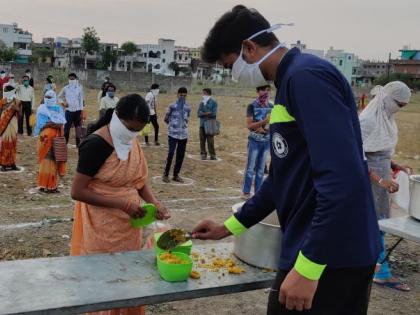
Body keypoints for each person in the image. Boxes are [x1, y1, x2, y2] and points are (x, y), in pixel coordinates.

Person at [192, 5, 381, 314]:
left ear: (249, 48)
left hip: (332, 256)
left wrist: (309, 267)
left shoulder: (305, 77)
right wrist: (230, 226)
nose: (233, 75)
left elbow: (342, 178)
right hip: (316, 249)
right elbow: (282, 177)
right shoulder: (290, 83)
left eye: (230, 66)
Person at [70, 94, 170, 315]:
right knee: (104, 278)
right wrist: (121, 204)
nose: (133, 134)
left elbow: (138, 181)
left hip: (128, 225)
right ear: (118, 117)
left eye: (138, 131)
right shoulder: (96, 144)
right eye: (130, 128)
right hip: (101, 226)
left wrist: (155, 203)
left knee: (126, 275)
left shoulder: (130, 140)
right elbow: (77, 191)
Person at [359, 81, 412, 292]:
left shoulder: (386, 117)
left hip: (381, 176)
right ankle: (381, 272)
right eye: (399, 104)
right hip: (369, 178)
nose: (400, 109)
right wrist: (379, 180)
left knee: (379, 220)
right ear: (387, 99)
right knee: (376, 222)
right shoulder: (367, 120)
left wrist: (394, 165)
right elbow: (356, 156)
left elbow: (380, 150)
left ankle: (372, 265)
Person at [242, 85, 273, 198]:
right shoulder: (252, 106)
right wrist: (263, 122)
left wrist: (265, 129)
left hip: (266, 141)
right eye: (263, 90)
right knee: (250, 169)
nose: (265, 92)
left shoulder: (271, 106)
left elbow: (273, 123)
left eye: (268, 90)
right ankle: (246, 192)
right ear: (257, 91)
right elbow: (249, 125)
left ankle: (258, 193)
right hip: (254, 141)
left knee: (261, 170)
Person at [34, 90, 67, 193]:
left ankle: (51, 185)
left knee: (53, 160)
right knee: (45, 160)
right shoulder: (41, 108)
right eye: (46, 97)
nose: (48, 99)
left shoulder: (58, 108)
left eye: (50, 97)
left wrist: (50, 123)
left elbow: (61, 123)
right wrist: (53, 123)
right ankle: (43, 184)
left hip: (56, 138)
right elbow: (41, 124)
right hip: (44, 139)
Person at [162, 87, 191, 183]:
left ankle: (176, 175)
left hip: (183, 135)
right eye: (181, 95)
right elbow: (166, 119)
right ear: (177, 94)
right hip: (173, 134)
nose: (182, 97)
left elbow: (187, 118)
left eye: (184, 95)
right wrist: (172, 125)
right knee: (170, 153)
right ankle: (165, 174)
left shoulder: (188, 107)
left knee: (180, 155)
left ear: (186, 96)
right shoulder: (172, 106)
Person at [58, 73, 84, 145]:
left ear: (76, 79)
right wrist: (63, 103)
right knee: (66, 128)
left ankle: (78, 144)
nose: (71, 80)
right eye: (70, 79)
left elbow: (81, 100)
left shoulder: (79, 88)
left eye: (73, 79)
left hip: (77, 111)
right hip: (68, 111)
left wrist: (82, 111)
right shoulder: (65, 88)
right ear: (68, 79)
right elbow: (59, 97)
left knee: (78, 128)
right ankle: (65, 143)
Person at [0, 85, 21, 171]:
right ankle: (3, 164)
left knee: (13, 143)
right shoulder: (2, 101)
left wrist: (16, 108)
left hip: (13, 123)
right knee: (5, 143)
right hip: (4, 124)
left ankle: (12, 163)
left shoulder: (17, 101)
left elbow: (20, 114)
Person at [197, 88, 218, 160]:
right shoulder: (201, 103)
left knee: (210, 141)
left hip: (210, 124)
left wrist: (203, 113)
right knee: (202, 140)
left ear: (208, 94)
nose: (203, 95)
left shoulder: (214, 103)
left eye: (204, 93)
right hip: (202, 124)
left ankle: (212, 154)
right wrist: (207, 113)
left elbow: (213, 114)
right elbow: (198, 114)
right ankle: (203, 154)